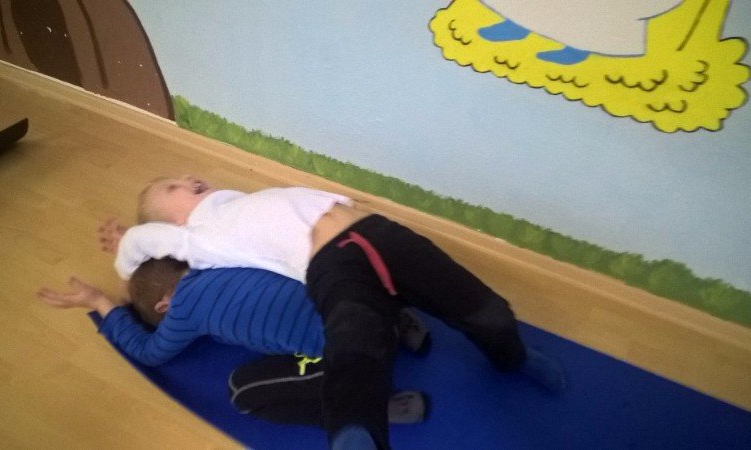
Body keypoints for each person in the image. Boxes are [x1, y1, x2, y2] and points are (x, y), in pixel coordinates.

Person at [114, 175, 566, 450]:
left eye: (182, 177)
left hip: (376, 232)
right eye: (172, 188)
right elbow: (138, 243)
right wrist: (126, 261)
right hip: (331, 264)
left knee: (481, 306)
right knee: (354, 345)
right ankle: (354, 432)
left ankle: (513, 356)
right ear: (168, 226)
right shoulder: (196, 240)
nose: (187, 179)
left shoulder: (237, 205)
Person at [37, 257, 430, 426]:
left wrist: (100, 302)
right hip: (370, 302)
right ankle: (400, 322)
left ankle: (368, 408)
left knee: (242, 392)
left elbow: (148, 352)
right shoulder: (217, 257)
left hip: (356, 357)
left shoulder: (182, 309)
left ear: (164, 305)